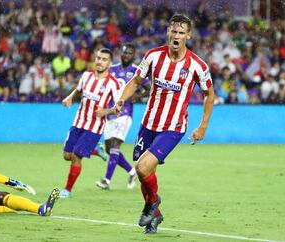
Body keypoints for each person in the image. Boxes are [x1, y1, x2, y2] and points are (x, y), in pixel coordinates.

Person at [115, 14, 214, 234]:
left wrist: (203, 125)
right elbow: (136, 81)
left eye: (181, 32)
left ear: (188, 35)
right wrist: (122, 97)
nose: (176, 36)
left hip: (174, 126)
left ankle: (151, 204)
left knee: (142, 167)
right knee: (144, 172)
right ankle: (155, 215)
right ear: (168, 32)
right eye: (173, 31)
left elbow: (209, 94)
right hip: (149, 122)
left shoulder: (197, 65)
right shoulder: (153, 56)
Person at [59, 48, 120, 198]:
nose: (100, 61)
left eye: (104, 59)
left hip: (95, 126)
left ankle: (67, 190)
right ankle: (95, 150)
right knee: (67, 155)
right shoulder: (86, 76)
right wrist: (70, 97)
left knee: (75, 156)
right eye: (98, 58)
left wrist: (106, 111)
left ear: (110, 63)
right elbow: (78, 90)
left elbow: (119, 108)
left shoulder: (113, 83)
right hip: (79, 121)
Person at [95, 43, 149, 190]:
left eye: (130, 53)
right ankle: (132, 172)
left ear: (134, 55)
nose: (127, 55)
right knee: (108, 148)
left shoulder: (137, 71)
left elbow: (149, 89)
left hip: (125, 113)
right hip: (110, 112)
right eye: (125, 53)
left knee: (115, 145)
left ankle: (106, 180)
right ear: (121, 54)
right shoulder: (112, 70)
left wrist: (135, 96)